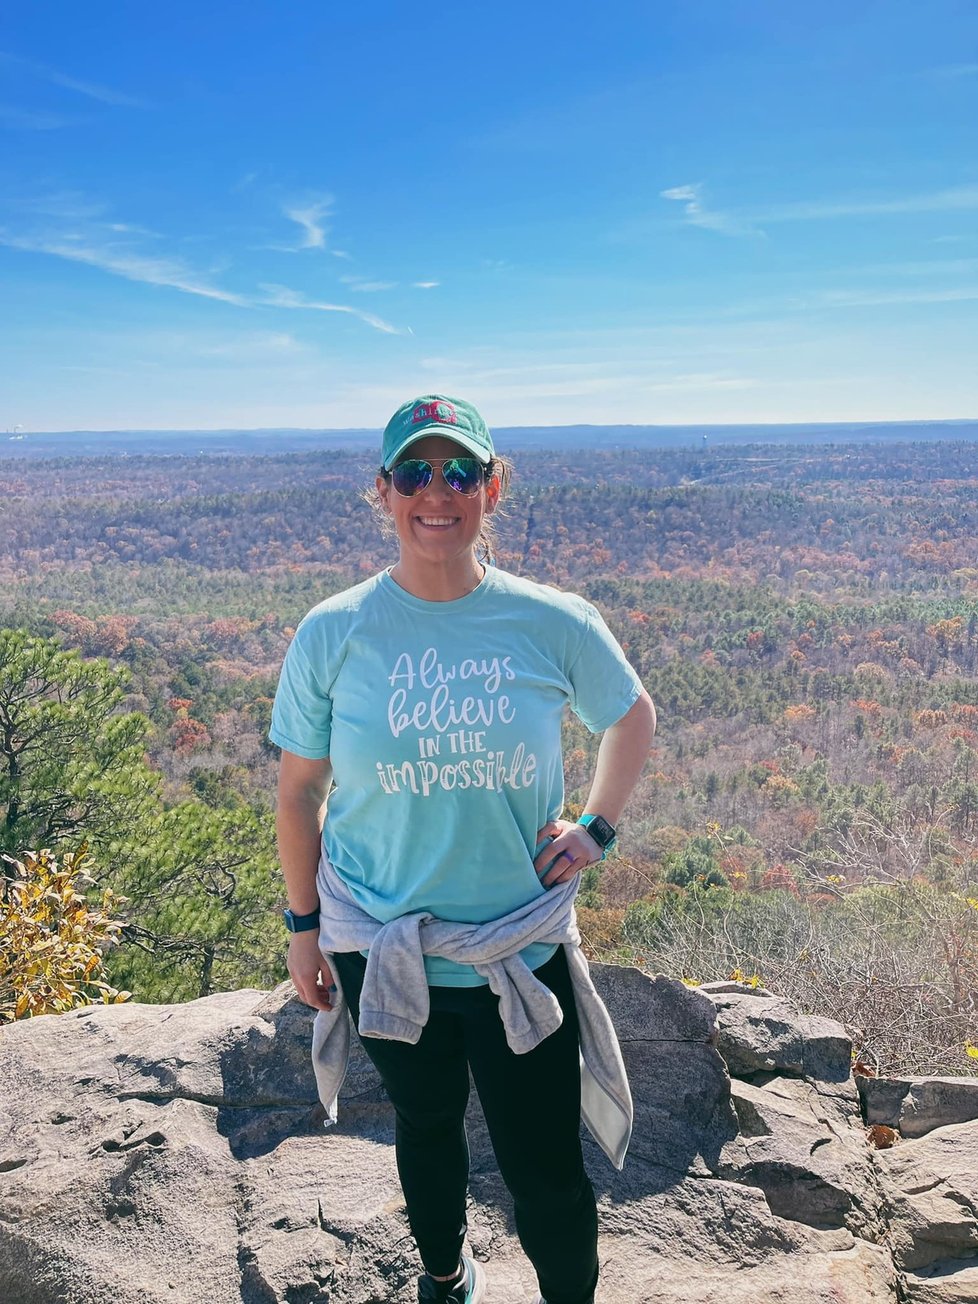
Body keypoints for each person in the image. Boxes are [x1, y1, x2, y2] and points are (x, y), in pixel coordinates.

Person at [270, 394, 656, 1304]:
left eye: (458, 472)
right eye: (414, 472)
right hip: (381, 947)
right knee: (426, 1124)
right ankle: (444, 1276)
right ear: (383, 491)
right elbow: (298, 791)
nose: (434, 493)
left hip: (515, 947)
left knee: (545, 1167)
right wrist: (303, 929)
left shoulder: (551, 618)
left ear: (492, 487)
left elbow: (630, 715)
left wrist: (597, 826)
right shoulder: (335, 630)